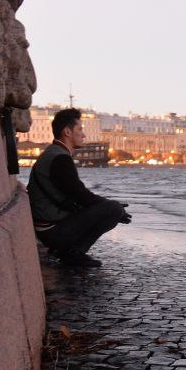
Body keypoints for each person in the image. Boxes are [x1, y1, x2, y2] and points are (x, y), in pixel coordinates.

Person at [27, 108, 130, 267]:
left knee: (111, 208)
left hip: (47, 223)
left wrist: (105, 206)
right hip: (51, 231)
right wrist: (112, 208)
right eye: (80, 129)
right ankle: (74, 253)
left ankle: (66, 250)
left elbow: (75, 195)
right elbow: (81, 195)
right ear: (67, 132)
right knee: (113, 209)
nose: (84, 135)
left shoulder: (54, 153)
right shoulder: (60, 158)